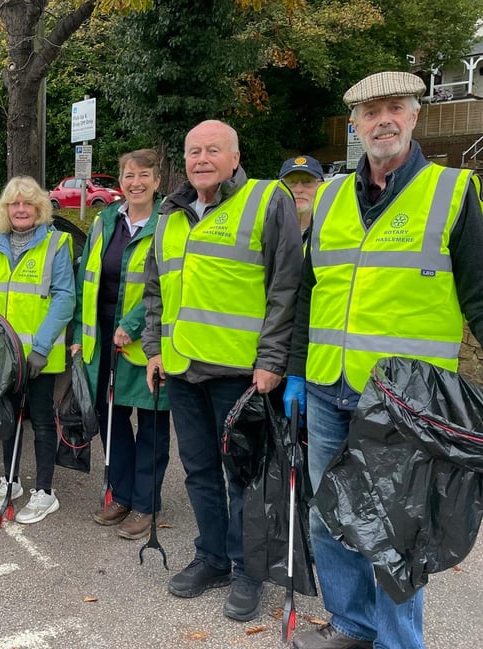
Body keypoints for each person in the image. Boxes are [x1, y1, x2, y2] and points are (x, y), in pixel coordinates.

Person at [285, 71, 483, 649]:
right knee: (329, 515)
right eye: (370, 114)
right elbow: (309, 292)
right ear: (355, 125)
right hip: (327, 387)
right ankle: (351, 626)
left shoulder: (453, 192)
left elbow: (478, 294)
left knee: (397, 530)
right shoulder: (329, 197)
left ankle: (398, 643)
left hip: (406, 403)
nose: (383, 122)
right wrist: (296, 372)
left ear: (415, 115)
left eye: (395, 108)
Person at [141, 120, 303, 621]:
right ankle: (211, 556)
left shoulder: (265, 200)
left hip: (241, 374)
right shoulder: (170, 214)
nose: (202, 159)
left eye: (214, 150)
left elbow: (286, 287)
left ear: (235, 157)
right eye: (193, 152)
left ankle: (246, 570)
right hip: (183, 369)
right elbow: (155, 291)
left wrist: (272, 360)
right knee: (199, 474)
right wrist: (154, 348)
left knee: (244, 478)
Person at [71, 149, 171, 540]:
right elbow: (86, 280)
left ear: (157, 181)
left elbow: (167, 282)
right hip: (102, 344)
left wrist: (132, 324)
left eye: (144, 175)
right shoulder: (105, 221)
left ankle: (146, 504)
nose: (136, 183)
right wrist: (81, 336)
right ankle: (122, 494)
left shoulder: (168, 223)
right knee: (113, 424)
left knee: (152, 426)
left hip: (147, 342)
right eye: (129, 175)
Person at [0, 176, 75, 524]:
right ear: (5, 209)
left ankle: (45, 492)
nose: (21, 209)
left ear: (39, 208)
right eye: (14, 204)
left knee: (43, 420)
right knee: (8, 417)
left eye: (28, 203)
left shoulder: (57, 243)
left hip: (39, 355)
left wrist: (42, 347)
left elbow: (65, 298)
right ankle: (11, 480)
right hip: (6, 351)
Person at [279, 155, 324, 243]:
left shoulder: (332, 229)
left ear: (322, 186)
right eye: (291, 182)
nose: (299, 190)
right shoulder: (268, 229)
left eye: (307, 181)